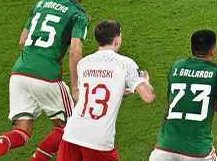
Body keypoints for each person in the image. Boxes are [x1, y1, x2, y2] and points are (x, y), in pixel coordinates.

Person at [0, 0, 94, 161]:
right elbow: (76, 52)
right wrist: (75, 87)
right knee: (71, 127)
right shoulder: (79, 15)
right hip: (46, 76)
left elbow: (23, 40)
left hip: (19, 73)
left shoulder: (42, 2)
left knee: (22, 131)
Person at [58, 20, 155, 161]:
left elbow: (94, 93)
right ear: (117, 40)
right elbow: (149, 96)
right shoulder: (124, 63)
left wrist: (124, 91)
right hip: (98, 139)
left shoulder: (84, 63)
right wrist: (145, 82)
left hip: (72, 134)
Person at [151, 30, 217, 161]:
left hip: (164, 150)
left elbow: (175, 102)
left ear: (191, 48)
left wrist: (208, 102)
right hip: (197, 152)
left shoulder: (176, 67)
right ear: (214, 50)